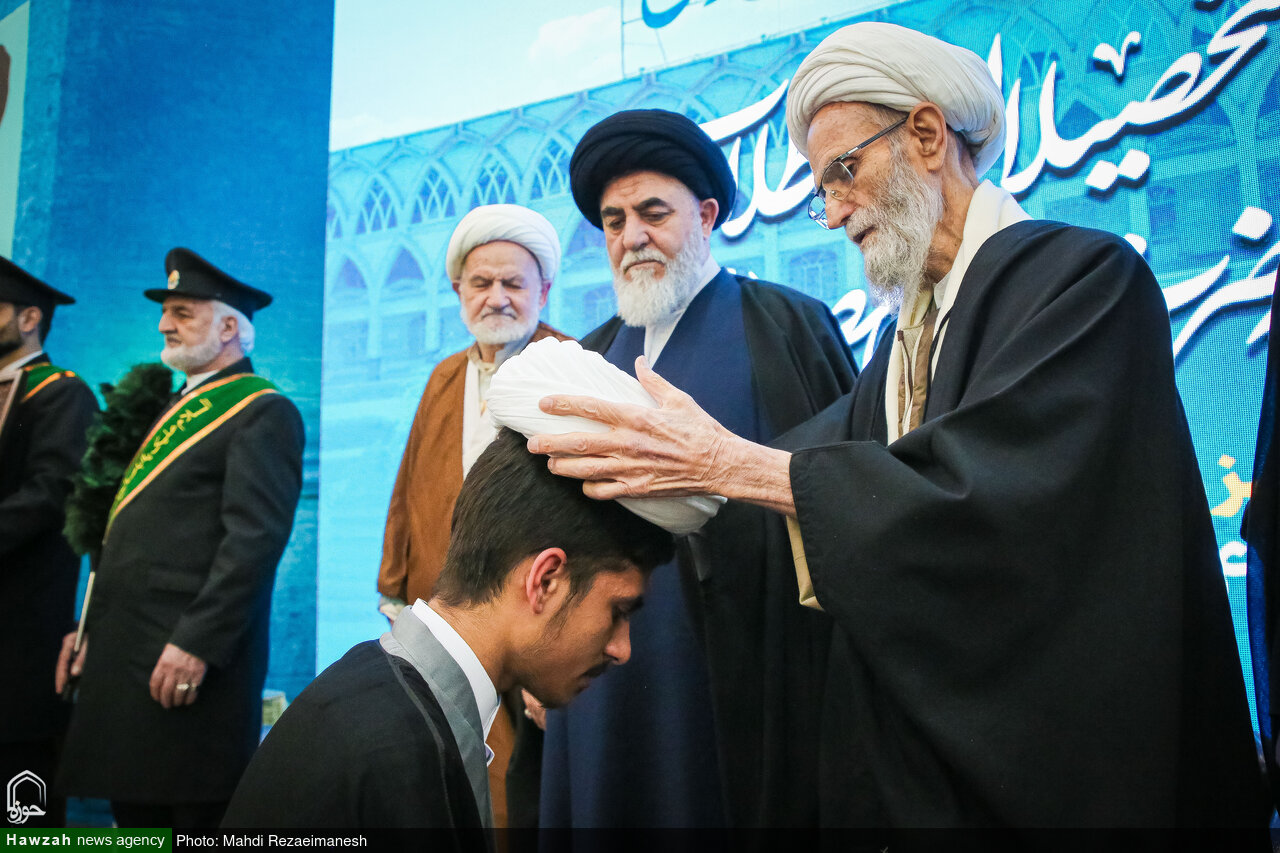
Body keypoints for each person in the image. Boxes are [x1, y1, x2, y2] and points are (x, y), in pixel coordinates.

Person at [527, 23, 1266, 827]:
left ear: (926, 135)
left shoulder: (1085, 283)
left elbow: (991, 507)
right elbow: (814, 483)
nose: (836, 213)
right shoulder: (901, 345)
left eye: (845, 172)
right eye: (822, 191)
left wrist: (728, 464)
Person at [538, 108, 857, 828]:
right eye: (614, 221)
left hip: (747, 671)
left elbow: (849, 493)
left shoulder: (789, 328)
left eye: (653, 213)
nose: (632, 236)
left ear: (706, 215)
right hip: (600, 681)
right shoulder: (586, 357)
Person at [222, 428, 673, 833]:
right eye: (618, 611)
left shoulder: (375, 698)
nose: (622, 649)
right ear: (546, 581)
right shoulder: (401, 757)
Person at [55, 247, 304, 829]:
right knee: (137, 823)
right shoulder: (173, 405)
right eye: (165, 312)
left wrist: (197, 642)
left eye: (182, 312)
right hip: (129, 657)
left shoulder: (262, 412)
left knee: (191, 822)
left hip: (185, 662)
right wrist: (89, 631)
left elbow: (253, 543)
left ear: (228, 329)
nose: (164, 324)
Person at [377, 204, 570, 827]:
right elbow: (409, 488)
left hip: (536, 621)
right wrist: (395, 591)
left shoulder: (571, 366)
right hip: (447, 615)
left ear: (543, 291)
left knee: (525, 795)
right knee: (448, 785)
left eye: (514, 283)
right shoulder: (443, 377)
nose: (497, 298)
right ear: (459, 291)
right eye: (481, 283)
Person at [0, 257, 97, 828]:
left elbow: (50, 493)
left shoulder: (61, 393)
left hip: (22, 636)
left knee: (21, 810)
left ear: (30, 318)